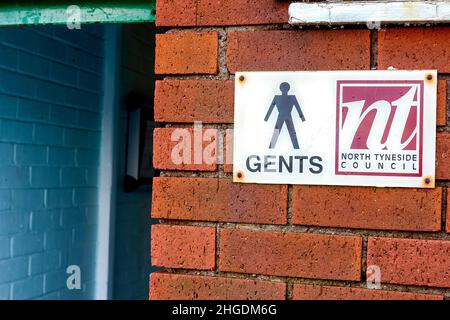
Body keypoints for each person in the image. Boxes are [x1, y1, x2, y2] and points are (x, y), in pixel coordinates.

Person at [264, 82, 305, 149]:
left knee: (288, 133)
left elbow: (298, 107)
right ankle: (271, 149)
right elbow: (271, 108)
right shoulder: (287, 97)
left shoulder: (288, 97)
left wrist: (266, 118)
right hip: (284, 116)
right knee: (287, 133)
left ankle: (271, 149)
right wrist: (302, 118)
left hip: (284, 116)